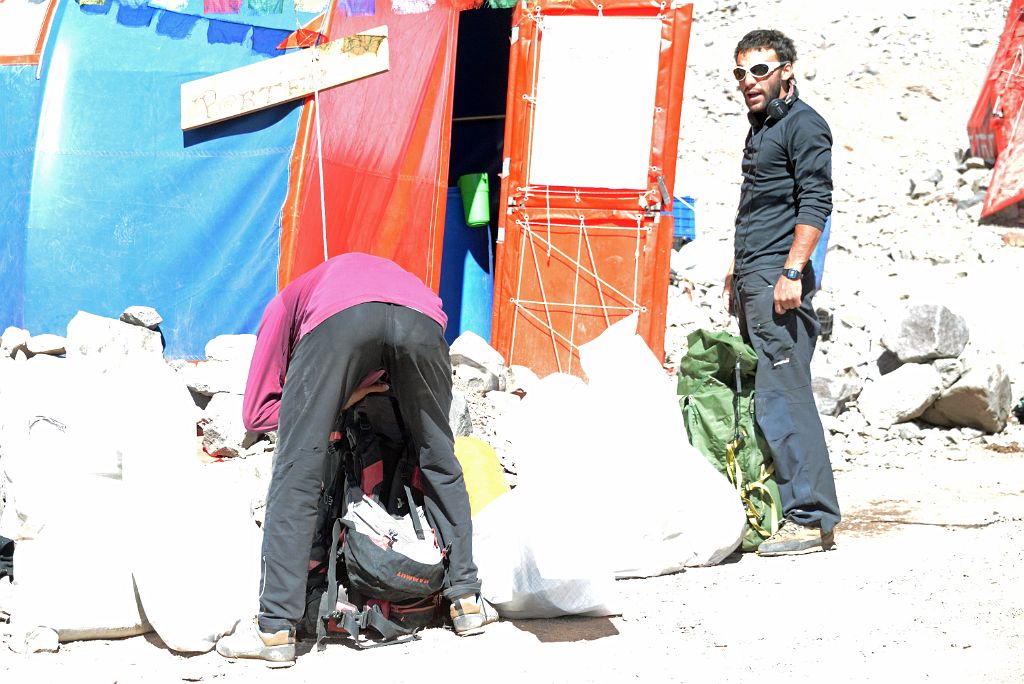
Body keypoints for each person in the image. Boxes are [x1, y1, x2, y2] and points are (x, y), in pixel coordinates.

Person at [216, 252, 496, 664]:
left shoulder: (284, 304)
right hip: (424, 319)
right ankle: (466, 600)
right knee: (438, 456)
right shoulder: (383, 278)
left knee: (299, 467)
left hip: (340, 320)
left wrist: (331, 401)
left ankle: (275, 627)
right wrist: (352, 394)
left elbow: (258, 411)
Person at [723, 29, 842, 556]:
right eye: (740, 73)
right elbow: (757, 208)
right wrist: (735, 270)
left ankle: (812, 516)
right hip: (756, 277)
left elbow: (815, 203)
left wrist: (792, 272)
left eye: (760, 70)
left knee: (784, 395)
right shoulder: (761, 129)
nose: (749, 82)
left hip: (780, 281)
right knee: (767, 394)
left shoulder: (805, 125)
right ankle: (784, 504)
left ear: (787, 70)